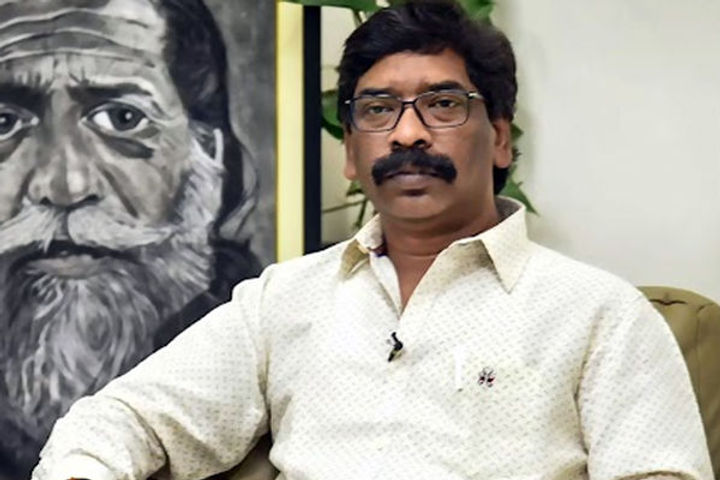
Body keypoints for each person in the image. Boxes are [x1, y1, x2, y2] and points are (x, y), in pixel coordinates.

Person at [33, 1, 713, 479]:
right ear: (352, 155)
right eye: (379, 109)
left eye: (443, 105)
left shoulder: (599, 315)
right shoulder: (282, 302)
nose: (408, 133)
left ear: (501, 139)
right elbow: (123, 420)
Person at [0, 0, 263, 477]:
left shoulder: (272, 355)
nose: (65, 186)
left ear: (212, 162)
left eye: (122, 118)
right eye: (4, 123)